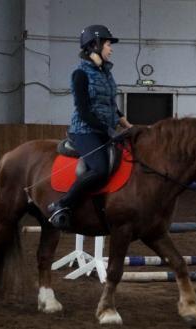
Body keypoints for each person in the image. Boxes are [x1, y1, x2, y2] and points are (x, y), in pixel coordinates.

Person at [47, 25, 132, 229]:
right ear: (95, 45)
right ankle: (62, 204)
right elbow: (84, 111)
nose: (110, 49)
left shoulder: (106, 73)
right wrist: (108, 131)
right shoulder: (80, 74)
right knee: (100, 169)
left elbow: (111, 103)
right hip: (85, 131)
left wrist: (126, 123)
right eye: (108, 44)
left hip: (106, 130)